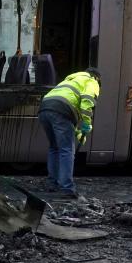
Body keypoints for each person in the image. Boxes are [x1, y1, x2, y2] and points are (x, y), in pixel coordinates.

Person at [37, 68, 101, 198]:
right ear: (97, 78)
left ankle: (52, 183)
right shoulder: (91, 81)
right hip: (61, 110)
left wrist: (78, 131)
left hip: (44, 108)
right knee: (66, 149)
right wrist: (86, 124)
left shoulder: (71, 79)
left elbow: (72, 110)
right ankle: (67, 188)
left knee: (54, 148)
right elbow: (86, 104)